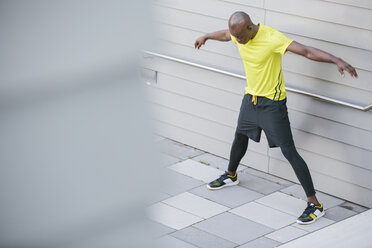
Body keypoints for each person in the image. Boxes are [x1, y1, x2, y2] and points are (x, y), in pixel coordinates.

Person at [194, 11, 358, 225]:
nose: (238, 41)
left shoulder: (272, 38)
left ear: (250, 28)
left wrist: (337, 60)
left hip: (272, 104)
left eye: (241, 38)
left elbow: (307, 51)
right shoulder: (237, 34)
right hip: (250, 99)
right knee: (240, 136)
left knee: (288, 150)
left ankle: (315, 205)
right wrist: (206, 36)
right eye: (237, 38)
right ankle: (231, 175)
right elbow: (226, 35)